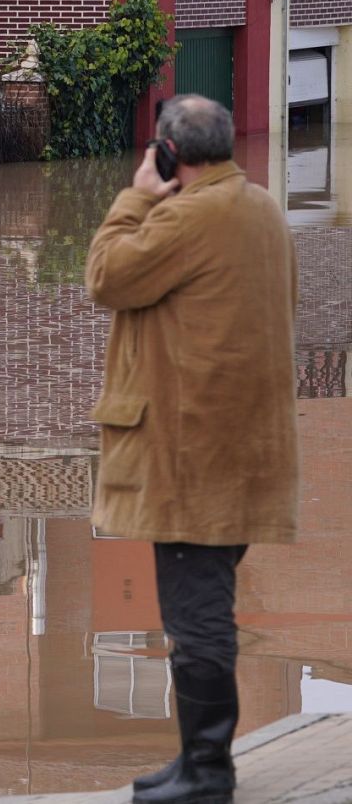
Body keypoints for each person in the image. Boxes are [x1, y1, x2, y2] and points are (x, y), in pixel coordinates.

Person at [86, 95, 299, 804]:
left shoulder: (181, 216)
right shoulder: (263, 208)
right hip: (243, 445)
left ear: (171, 155)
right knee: (205, 604)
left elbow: (107, 278)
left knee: (197, 618)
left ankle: (208, 773)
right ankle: (195, 764)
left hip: (190, 454)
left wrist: (134, 197)